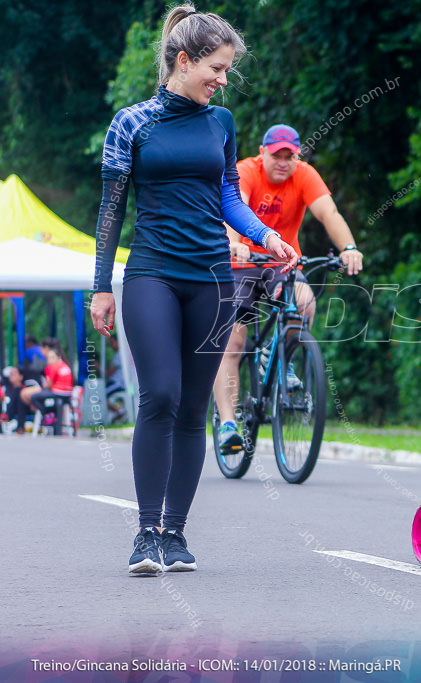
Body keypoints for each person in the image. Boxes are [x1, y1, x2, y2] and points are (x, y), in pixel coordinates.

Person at [90, 3, 298, 575]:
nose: (224, 80)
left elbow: (228, 195)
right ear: (184, 61)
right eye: (218, 68)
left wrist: (264, 237)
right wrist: (100, 286)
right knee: (159, 394)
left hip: (212, 276)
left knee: (192, 406)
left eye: (227, 70)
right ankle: (144, 533)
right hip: (152, 272)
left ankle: (175, 535)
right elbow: (111, 211)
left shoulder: (220, 124)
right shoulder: (131, 123)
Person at [212, 123, 363, 454]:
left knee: (305, 302)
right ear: (263, 153)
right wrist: (235, 244)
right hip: (243, 263)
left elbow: (329, 212)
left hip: (282, 262)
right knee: (234, 339)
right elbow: (234, 208)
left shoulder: (304, 175)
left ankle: (285, 358)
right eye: (277, 155)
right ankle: (227, 424)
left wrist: (349, 247)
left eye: (290, 156)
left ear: (297, 157)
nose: (283, 162)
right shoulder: (245, 171)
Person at [22, 344, 75, 434]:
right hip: (68, 394)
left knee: (34, 397)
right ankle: (51, 412)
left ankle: (46, 413)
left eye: (52, 358)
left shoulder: (54, 367)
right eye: (49, 358)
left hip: (58, 392)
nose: (50, 360)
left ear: (58, 357)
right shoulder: (64, 365)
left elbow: (48, 385)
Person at [1, 366, 38, 434]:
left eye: (15, 373)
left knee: (19, 391)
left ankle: (8, 415)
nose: (12, 376)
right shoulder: (7, 389)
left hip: (26, 409)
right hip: (14, 409)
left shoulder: (27, 388)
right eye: (11, 374)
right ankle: (20, 427)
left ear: (21, 377)